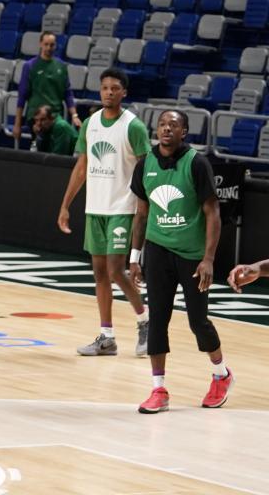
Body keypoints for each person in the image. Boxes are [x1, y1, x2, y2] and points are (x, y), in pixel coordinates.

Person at [128, 110, 232, 413]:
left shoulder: (196, 163)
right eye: (162, 125)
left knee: (198, 322)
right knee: (158, 319)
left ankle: (221, 374)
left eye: (173, 125)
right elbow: (142, 214)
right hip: (158, 251)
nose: (166, 129)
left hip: (192, 255)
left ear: (184, 132)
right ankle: (159, 389)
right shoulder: (144, 164)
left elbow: (213, 213)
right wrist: (135, 257)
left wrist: (209, 259)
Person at [57, 67, 151, 357]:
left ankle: (145, 320)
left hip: (122, 208)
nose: (109, 92)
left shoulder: (133, 126)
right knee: (99, 273)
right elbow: (82, 166)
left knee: (115, 270)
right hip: (94, 208)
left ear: (124, 92)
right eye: (105, 88)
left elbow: (147, 169)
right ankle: (107, 337)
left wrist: (144, 207)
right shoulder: (90, 123)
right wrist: (65, 205)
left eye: (115, 88)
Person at [14, 31, 79, 140]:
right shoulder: (30, 66)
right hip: (36, 116)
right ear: (40, 44)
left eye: (52, 45)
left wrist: (74, 115)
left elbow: (68, 93)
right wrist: (17, 124)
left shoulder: (61, 67)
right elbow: (22, 96)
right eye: (46, 44)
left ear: (56, 46)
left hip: (55, 116)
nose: (49, 48)